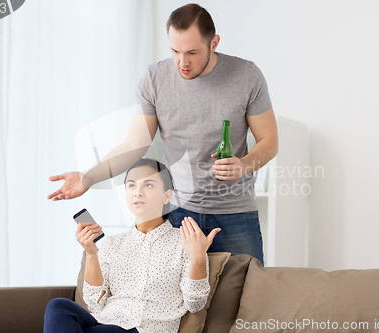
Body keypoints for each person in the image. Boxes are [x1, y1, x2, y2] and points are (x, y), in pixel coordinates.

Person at [47, 4, 278, 265]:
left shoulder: (247, 76)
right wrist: (88, 176)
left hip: (235, 213)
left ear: (214, 43)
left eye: (192, 52)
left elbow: (269, 142)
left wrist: (244, 165)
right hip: (179, 213)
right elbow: (135, 144)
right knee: (182, 302)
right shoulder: (154, 78)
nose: (182, 62)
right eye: (175, 51)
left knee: (248, 295)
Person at [44, 158, 221, 333]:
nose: (138, 192)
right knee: (58, 305)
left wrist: (198, 258)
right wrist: (91, 254)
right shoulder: (112, 244)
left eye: (148, 185)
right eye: (131, 185)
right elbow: (95, 305)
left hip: (146, 329)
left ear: (167, 196)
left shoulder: (187, 243)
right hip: (105, 322)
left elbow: (195, 304)